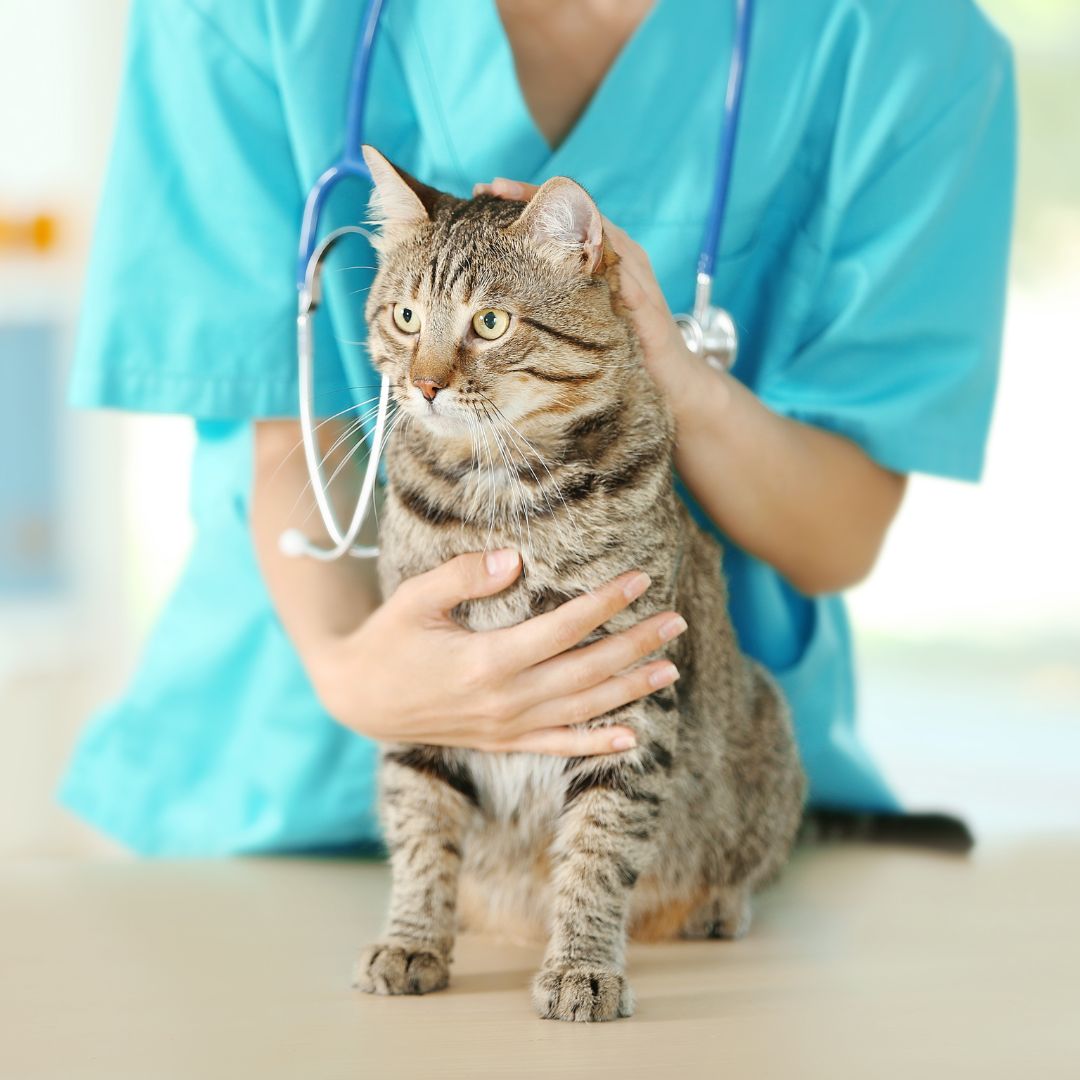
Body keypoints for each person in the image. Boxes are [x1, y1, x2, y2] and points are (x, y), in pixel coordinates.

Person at [60, 0, 1016, 855]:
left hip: (663, 803)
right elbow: (282, 418)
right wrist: (352, 675)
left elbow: (839, 531)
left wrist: (668, 373)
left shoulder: (911, 45)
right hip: (278, 785)